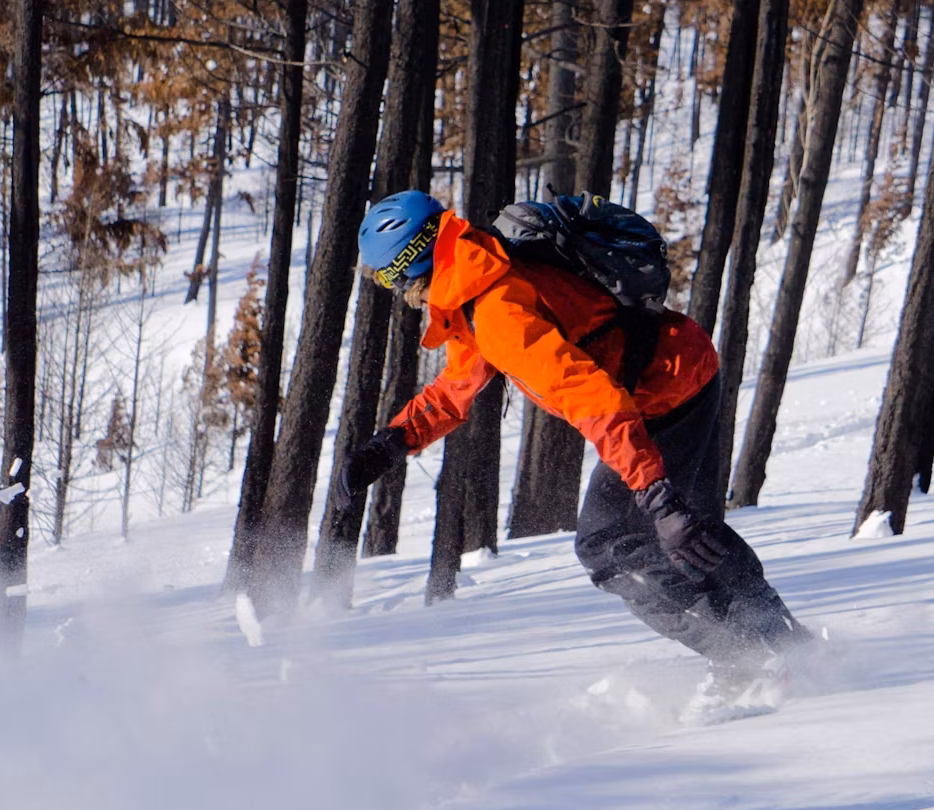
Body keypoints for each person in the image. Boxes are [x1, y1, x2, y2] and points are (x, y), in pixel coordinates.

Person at [340, 189, 815, 708]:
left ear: (410, 265)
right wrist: (387, 445)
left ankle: (747, 656)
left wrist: (655, 495)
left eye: (387, 279)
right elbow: (456, 387)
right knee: (685, 533)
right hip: (677, 371)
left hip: (661, 394)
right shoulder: (480, 276)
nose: (395, 292)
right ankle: (784, 644)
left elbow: (595, 400)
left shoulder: (496, 311)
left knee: (612, 545)